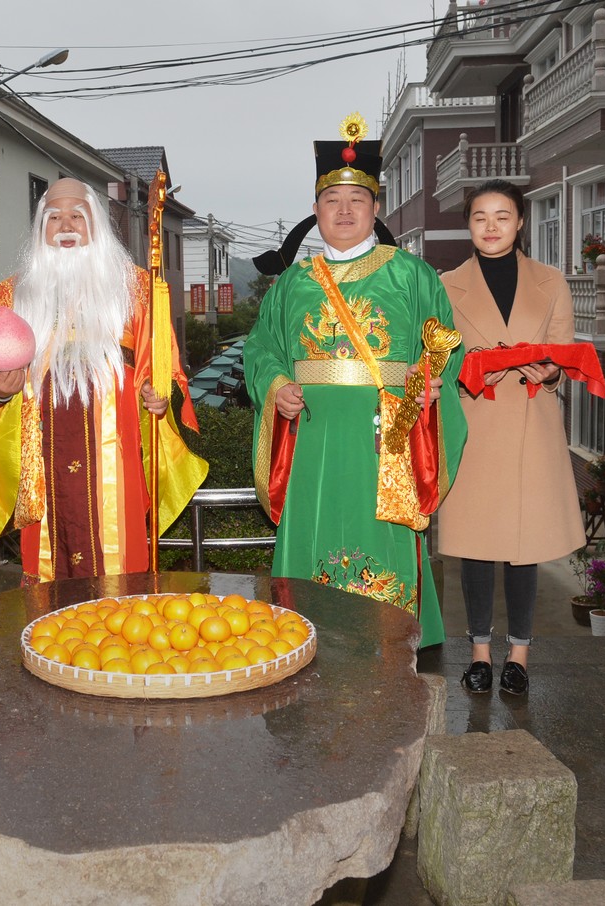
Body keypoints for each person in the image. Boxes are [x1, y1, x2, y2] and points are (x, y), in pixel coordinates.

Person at [243, 116, 467, 648]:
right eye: (332, 201)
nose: (344, 211)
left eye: (357, 200)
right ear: (316, 210)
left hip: (384, 439)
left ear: (375, 209)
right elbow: (261, 349)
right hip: (313, 442)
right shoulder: (292, 283)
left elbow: (443, 342)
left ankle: (392, 642)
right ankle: (308, 637)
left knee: (382, 544)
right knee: (314, 533)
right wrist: (277, 387)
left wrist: (427, 381)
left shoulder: (411, 274)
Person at [0, 177, 207, 581]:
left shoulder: (137, 290)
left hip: (118, 457)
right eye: (54, 217)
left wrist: (160, 398)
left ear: (97, 223)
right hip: (40, 455)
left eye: (77, 215)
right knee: (48, 578)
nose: (66, 226)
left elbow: (167, 371)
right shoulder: (10, 297)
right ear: (40, 227)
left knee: (119, 575)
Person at [437, 179, 586, 696]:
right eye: (480, 217)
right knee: (475, 548)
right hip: (475, 424)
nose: (491, 226)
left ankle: (519, 657)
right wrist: (473, 370)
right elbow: (438, 358)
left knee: (526, 547)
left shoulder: (551, 281)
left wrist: (551, 371)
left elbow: (563, 349)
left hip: (530, 422)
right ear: (468, 225)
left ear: (520, 222)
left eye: (503, 216)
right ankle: (479, 654)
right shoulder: (446, 285)